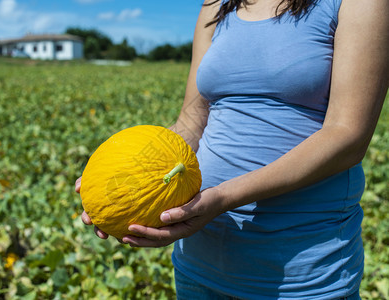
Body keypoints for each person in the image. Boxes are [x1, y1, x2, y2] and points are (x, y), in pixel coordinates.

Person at [75, 0, 388, 298]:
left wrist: (223, 197)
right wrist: (118, 178)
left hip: (300, 275)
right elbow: (192, 119)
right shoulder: (218, 4)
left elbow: (348, 135)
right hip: (199, 265)